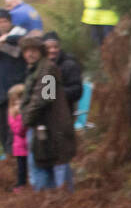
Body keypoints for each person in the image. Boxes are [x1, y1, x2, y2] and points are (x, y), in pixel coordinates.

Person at [19, 33, 75, 191]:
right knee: (42, 165)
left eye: (33, 50)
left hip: (54, 127)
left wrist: (27, 118)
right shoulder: (34, 70)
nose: (29, 54)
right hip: (41, 126)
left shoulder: (48, 70)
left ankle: (63, 204)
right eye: (26, 51)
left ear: (41, 52)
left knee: (59, 167)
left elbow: (46, 97)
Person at [0, 10, 28, 156]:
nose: (1, 25)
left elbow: (18, 51)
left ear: (9, 22)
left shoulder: (19, 34)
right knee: (3, 129)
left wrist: (4, 43)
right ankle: (8, 157)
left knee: (16, 128)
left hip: (16, 91)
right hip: (2, 92)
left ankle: (16, 159)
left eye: (3, 21)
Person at [43, 32, 83, 118]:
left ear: (59, 47)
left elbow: (77, 90)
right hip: (44, 113)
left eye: (55, 47)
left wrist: (56, 93)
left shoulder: (70, 65)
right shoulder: (40, 65)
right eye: (48, 48)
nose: (52, 50)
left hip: (64, 112)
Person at [8, 83, 27, 190]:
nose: (16, 103)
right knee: (21, 168)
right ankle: (21, 185)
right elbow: (18, 130)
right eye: (14, 100)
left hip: (29, 145)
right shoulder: (12, 112)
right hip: (19, 145)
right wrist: (20, 116)